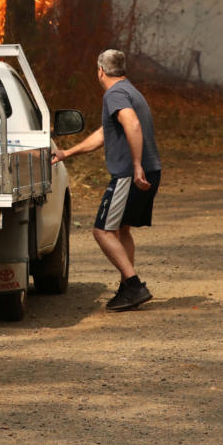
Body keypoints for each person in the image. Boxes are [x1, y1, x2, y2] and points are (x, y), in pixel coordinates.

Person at [52, 49, 161, 312]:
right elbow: (104, 134)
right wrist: (67, 152)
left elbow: (132, 125)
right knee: (121, 228)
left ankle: (134, 285)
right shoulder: (129, 90)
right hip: (150, 170)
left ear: (100, 71)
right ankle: (127, 287)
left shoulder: (114, 94)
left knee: (102, 230)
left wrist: (135, 166)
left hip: (130, 173)